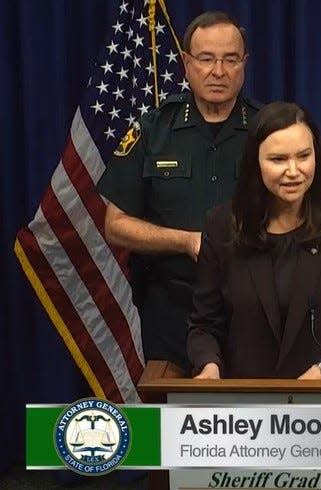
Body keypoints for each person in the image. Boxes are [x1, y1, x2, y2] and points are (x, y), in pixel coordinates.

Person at [97, 12, 262, 372]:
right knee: (175, 421)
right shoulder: (153, 129)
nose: (218, 71)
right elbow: (116, 225)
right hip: (172, 313)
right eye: (206, 59)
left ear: (244, 65)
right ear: (186, 64)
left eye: (230, 59)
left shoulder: (269, 133)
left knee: (254, 421)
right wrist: (185, 241)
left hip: (256, 310)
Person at [188, 102, 321, 380]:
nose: (293, 171)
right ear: (255, 162)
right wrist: (209, 367)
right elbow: (205, 325)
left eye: (303, 156)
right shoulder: (221, 226)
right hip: (243, 411)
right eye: (278, 160)